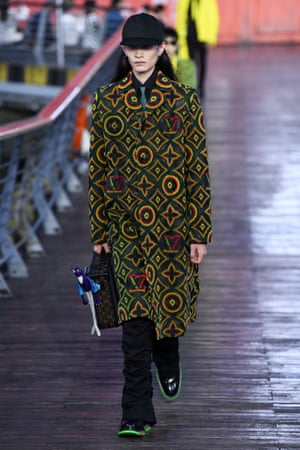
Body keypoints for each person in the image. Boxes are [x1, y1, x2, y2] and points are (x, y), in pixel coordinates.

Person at [88, 12, 212, 438]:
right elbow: (98, 170)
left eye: (147, 47)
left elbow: (197, 170)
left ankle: (170, 350)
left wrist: (200, 232)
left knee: (167, 314)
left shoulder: (184, 101)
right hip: (126, 231)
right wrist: (99, 230)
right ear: (124, 51)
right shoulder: (107, 102)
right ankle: (135, 412)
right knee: (135, 321)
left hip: (174, 229)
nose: (139, 55)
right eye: (132, 48)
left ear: (161, 50)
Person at [176, 0, 219, 98]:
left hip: (202, 35)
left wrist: (210, 38)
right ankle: (190, 85)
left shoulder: (208, 2)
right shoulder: (184, 1)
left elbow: (213, 17)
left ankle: (201, 86)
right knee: (188, 61)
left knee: (202, 62)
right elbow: (181, 17)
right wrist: (179, 36)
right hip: (188, 34)